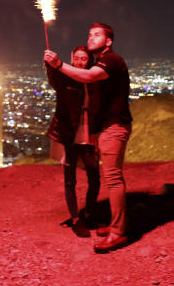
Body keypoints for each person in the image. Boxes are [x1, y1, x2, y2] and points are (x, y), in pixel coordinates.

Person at [44, 22, 132, 253]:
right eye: (89, 35)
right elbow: (63, 81)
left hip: (114, 126)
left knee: (112, 178)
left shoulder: (111, 60)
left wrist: (59, 64)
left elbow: (89, 76)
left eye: (97, 35)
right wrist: (52, 67)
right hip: (102, 128)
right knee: (106, 177)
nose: (91, 38)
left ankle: (118, 232)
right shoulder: (105, 61)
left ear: (109, 41)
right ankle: (114, 224)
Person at [46, 45, 100, 235]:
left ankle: (89, 212)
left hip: (88, 132)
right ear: (71, 58)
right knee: (70, 179)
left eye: (84, 58)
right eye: (77, 58)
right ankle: (76, 218)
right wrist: (49, 63)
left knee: (94, 175)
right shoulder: (65, 76)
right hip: (70, 133)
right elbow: (54, 78)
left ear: (89, 60)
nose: (80, 62)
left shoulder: (94, 80)